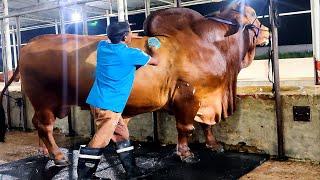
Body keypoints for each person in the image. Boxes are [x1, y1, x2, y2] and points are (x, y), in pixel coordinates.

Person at [77, 22, 159, 179]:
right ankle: (85, 175)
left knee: (122, 134)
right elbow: (156, 61)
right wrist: (154, 47)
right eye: (129, 33)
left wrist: (125, 36)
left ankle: (132, 170)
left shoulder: (102, 47)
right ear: (124, 37)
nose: (131, 34)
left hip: (98, 101)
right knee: (101, 140)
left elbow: (107, 40)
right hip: (110, 106)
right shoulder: (132, 54)